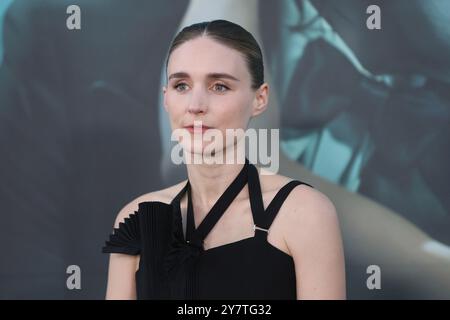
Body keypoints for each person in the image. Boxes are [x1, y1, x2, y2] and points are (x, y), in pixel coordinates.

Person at [102, 19, 346, 300]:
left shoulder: (304, 212)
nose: (196, 106)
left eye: (219, 86)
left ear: (260, 98)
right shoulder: (136, 218)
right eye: (182, 86)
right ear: (166, 98)